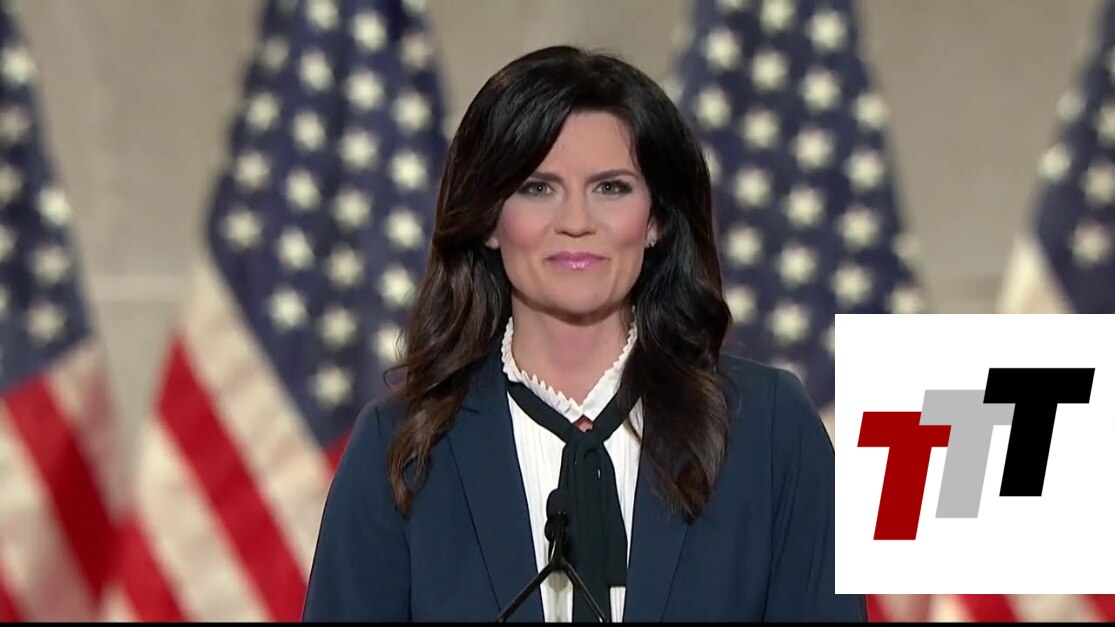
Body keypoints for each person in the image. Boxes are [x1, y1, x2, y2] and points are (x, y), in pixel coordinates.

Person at [301, 44, 866, 623]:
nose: (575, 222)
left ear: (656, 220)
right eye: (538, 187)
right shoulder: (400, 447)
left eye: (611, 188)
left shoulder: (769, 429)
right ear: (489, 220)